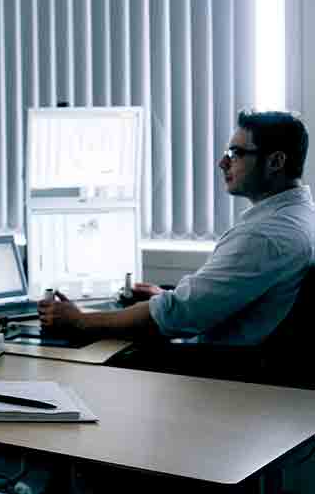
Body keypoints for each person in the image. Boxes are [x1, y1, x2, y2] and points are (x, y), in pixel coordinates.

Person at [38, 110, 315, 346]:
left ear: (276, 162)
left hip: (221, 377)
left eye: (236, 153)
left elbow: (177, 316)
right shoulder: (300, 216)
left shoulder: (264, 236)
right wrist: (166, 299)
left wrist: (80, 321)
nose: (223, 163)